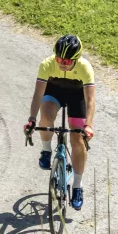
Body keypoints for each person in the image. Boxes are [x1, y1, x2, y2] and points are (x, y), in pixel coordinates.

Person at [24, 34, 96, 211]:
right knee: (46, 115)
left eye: (67, 61)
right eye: (59, 59)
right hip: (54, 92)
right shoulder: (46, 65)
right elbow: (38, 95)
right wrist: (32, 119)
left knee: (77, 140)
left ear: (76, 59)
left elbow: (90, 100)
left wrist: (88, 125)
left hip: (76, 97)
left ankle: (77, 186)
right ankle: (46, 150)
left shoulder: (85, 68)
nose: (62, 63)